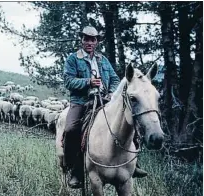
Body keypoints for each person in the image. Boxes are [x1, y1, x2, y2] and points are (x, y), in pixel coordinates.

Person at [62, 26, 148, 189]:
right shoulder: (73, 59)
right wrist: (87, 82)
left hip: (105, 100)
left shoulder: (103, 60)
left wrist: (110, 93)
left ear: (96, 42)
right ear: (81, 40)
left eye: (92, 39)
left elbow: (115, 79)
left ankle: (133, 164)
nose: (89, 42)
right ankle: (75, 169)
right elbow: (68, 81)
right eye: (86, 38)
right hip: (81, 101)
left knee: (129, 121)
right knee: (71, 129)